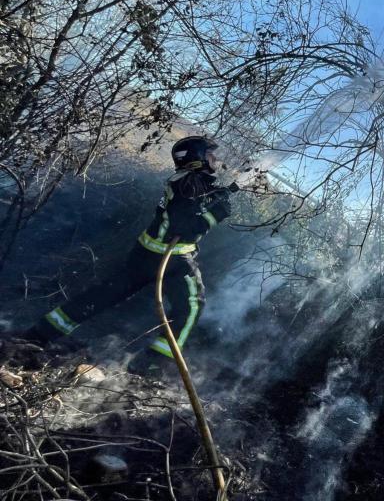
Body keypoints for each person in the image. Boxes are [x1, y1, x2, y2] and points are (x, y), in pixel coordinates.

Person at [23, 136, 233, 374]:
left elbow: (187, 209)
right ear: (196, 158)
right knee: (192, 306)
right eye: (209, 154)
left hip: (145, 254)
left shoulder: (185, 181)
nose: (214, 158)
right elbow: (182, 226)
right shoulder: (189, 183)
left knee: (105, 294)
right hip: (171, 259)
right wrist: (216, 214)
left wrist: (215, 197)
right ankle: (152, 364)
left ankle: (41, 333)